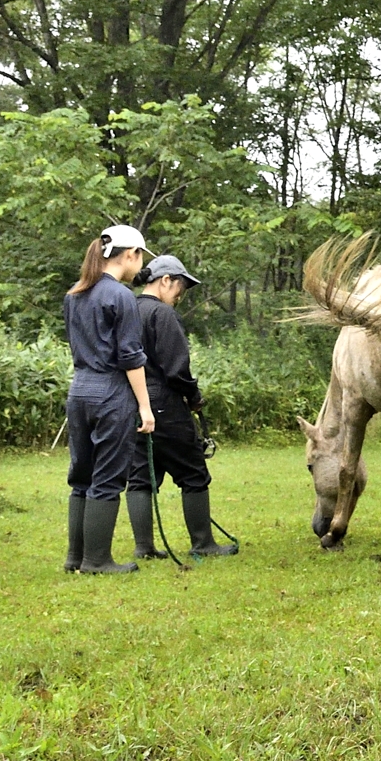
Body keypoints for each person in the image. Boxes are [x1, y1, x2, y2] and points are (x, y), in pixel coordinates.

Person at [125, 254, 237, 559]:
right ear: (165, 281)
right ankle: (204, 543)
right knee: (193, 473)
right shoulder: (163, 315)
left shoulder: (127, 309)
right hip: (165, 404)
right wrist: (194, 395)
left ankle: (144, 548)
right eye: (180, 289)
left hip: (132, 405)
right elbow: (177, 369)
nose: (180, 296)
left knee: (140, 477)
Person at [62, 224, 156, 574]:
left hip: (79, 391)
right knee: (107, 478)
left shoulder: (74, 294)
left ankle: (76, 558)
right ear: (129, 254)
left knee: (81, 478)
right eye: (140, 257)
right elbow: (131, 357)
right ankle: (97, 560)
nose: (140, 264)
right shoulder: (121, 297)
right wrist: (145, 408)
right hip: (110, 393)